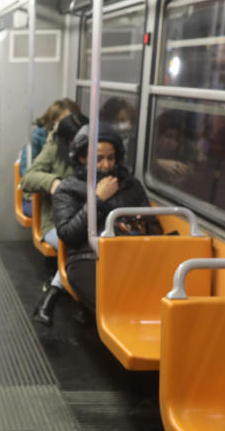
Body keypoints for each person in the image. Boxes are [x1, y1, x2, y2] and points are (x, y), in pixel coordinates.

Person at [52, 123, 162, 312]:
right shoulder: (68, 188)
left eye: (111, 158)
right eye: (98, 159)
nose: (107, 165)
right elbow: (68, 234)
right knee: (119, 302)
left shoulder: (130, 185)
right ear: (82, 158)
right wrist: (98, 200)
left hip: (132, 254)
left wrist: (141, 227)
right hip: (88, 257)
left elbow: (155, 226)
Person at [21, 111, 87, 326]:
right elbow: (28, 178)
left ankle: (52, 295)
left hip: (86, 221)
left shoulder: (96, 156)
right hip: (56, 221)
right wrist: (54, 183)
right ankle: (75, 300)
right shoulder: (53, 151)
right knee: (78, 249)